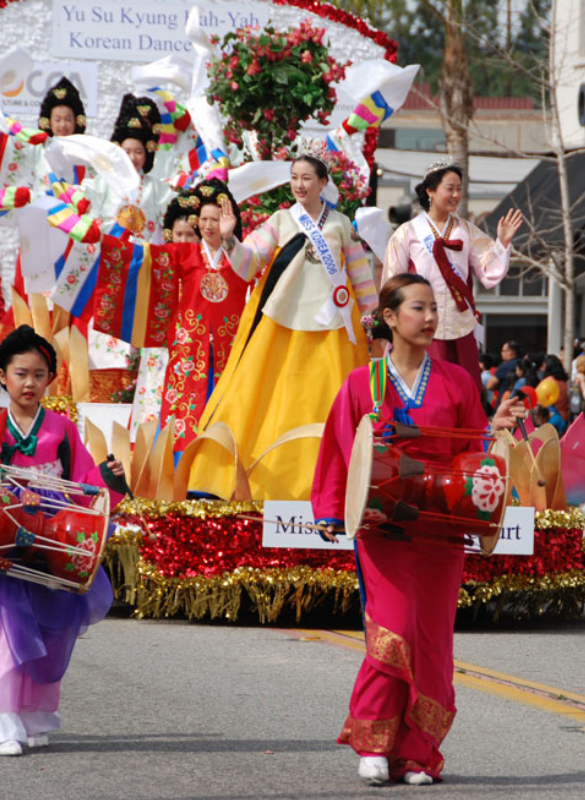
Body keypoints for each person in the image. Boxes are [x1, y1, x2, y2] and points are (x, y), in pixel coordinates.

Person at [311, 274, 521, 785]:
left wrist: (494, 444)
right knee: (395, 629)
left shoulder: (457, 382)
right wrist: (331, 508)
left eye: (434, 309)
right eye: (418, 308)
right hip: (385, 529)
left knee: (431, 641)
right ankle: (375, 743)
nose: (429, 318)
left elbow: (472, 453)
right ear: (389, 317)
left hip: (442, 531)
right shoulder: (363, 383)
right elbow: (342, 448)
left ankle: (418, 753)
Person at [0, 325, 126, 756]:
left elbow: (86, 487)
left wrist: (110, 481)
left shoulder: (63, 432)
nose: (29, 382)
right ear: (1, 376)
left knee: (43, 638)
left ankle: (32, 718)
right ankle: (0, 725)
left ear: (49, 378)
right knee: (0, 639)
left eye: (38, 373)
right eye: (20, 373)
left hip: (47, 553)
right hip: (1, 557)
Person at [188, 155, 376, 500]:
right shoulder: (280, 220)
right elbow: (248, 266)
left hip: (331, 327)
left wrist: (370, 317)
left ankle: (328, 485)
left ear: (322, 183)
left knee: (326, 399)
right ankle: (259, 481)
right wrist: (230, 240)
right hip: (281, 324)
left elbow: (361, 277)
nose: (300, 185)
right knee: (269, 397)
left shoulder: (340, 224)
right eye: (294, 178)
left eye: (307, 178)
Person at [381, 162, 522, 381]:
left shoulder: (466, 230)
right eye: (450, 188)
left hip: (459, 325)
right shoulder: (407, 232)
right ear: (430, 191)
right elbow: (393, 281)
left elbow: (488, 271)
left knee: (463, 388)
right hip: (420, 325)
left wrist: (502, 242)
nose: (456, 194)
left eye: (459, 189)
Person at [158, 179, 251, 448]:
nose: (209, 225)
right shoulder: (184, 254)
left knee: (225, 407)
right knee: (186, 407)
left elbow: (256, 276)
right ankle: (180, 471)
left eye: (216, 219)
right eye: (204, 219)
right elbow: (150, 264)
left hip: (229, 346)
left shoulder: (240, 256)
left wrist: (230, 237)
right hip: (189, 346)